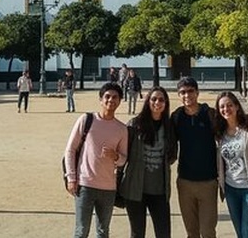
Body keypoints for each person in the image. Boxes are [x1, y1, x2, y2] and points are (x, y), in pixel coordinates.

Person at [63, 82, 129, 238]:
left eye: (115, 97)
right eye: (107, 96)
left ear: (120, 101)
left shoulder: (121, 129)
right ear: (101, 100)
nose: (110, 100)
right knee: (81, 231)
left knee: (103, 231)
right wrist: (71, 178)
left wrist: (116, 156)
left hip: (108, 188)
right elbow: (70, 150)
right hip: (85, 184)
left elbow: (123, 160)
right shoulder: (86, 120)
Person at [119, 86, 176, 238]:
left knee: (163, 233)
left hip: (159, 190)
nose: (157, 102)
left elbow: (172, 155)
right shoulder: (134, 125)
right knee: (137, 233)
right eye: (154, 99)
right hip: (135, 189)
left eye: (161, 100)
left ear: (166, 103)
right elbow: (123, 154)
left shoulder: (169, 127)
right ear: (147, 101)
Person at [170, 77, 218, 238]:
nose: (187, 95)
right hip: (185, 182)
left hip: (208, 182)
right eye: (182, 92)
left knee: (208, 231)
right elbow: (168, 143)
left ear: (197, 93)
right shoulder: (177, 117)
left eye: (190, 91)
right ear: (178, 95)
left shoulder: (210, 114)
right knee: (191, 232)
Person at [215, 91, 248, 238]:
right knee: (240, 233)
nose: (226, 109)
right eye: (222, 106)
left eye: (229, 105)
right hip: (231, 189)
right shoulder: (219, 133)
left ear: (237, 106)